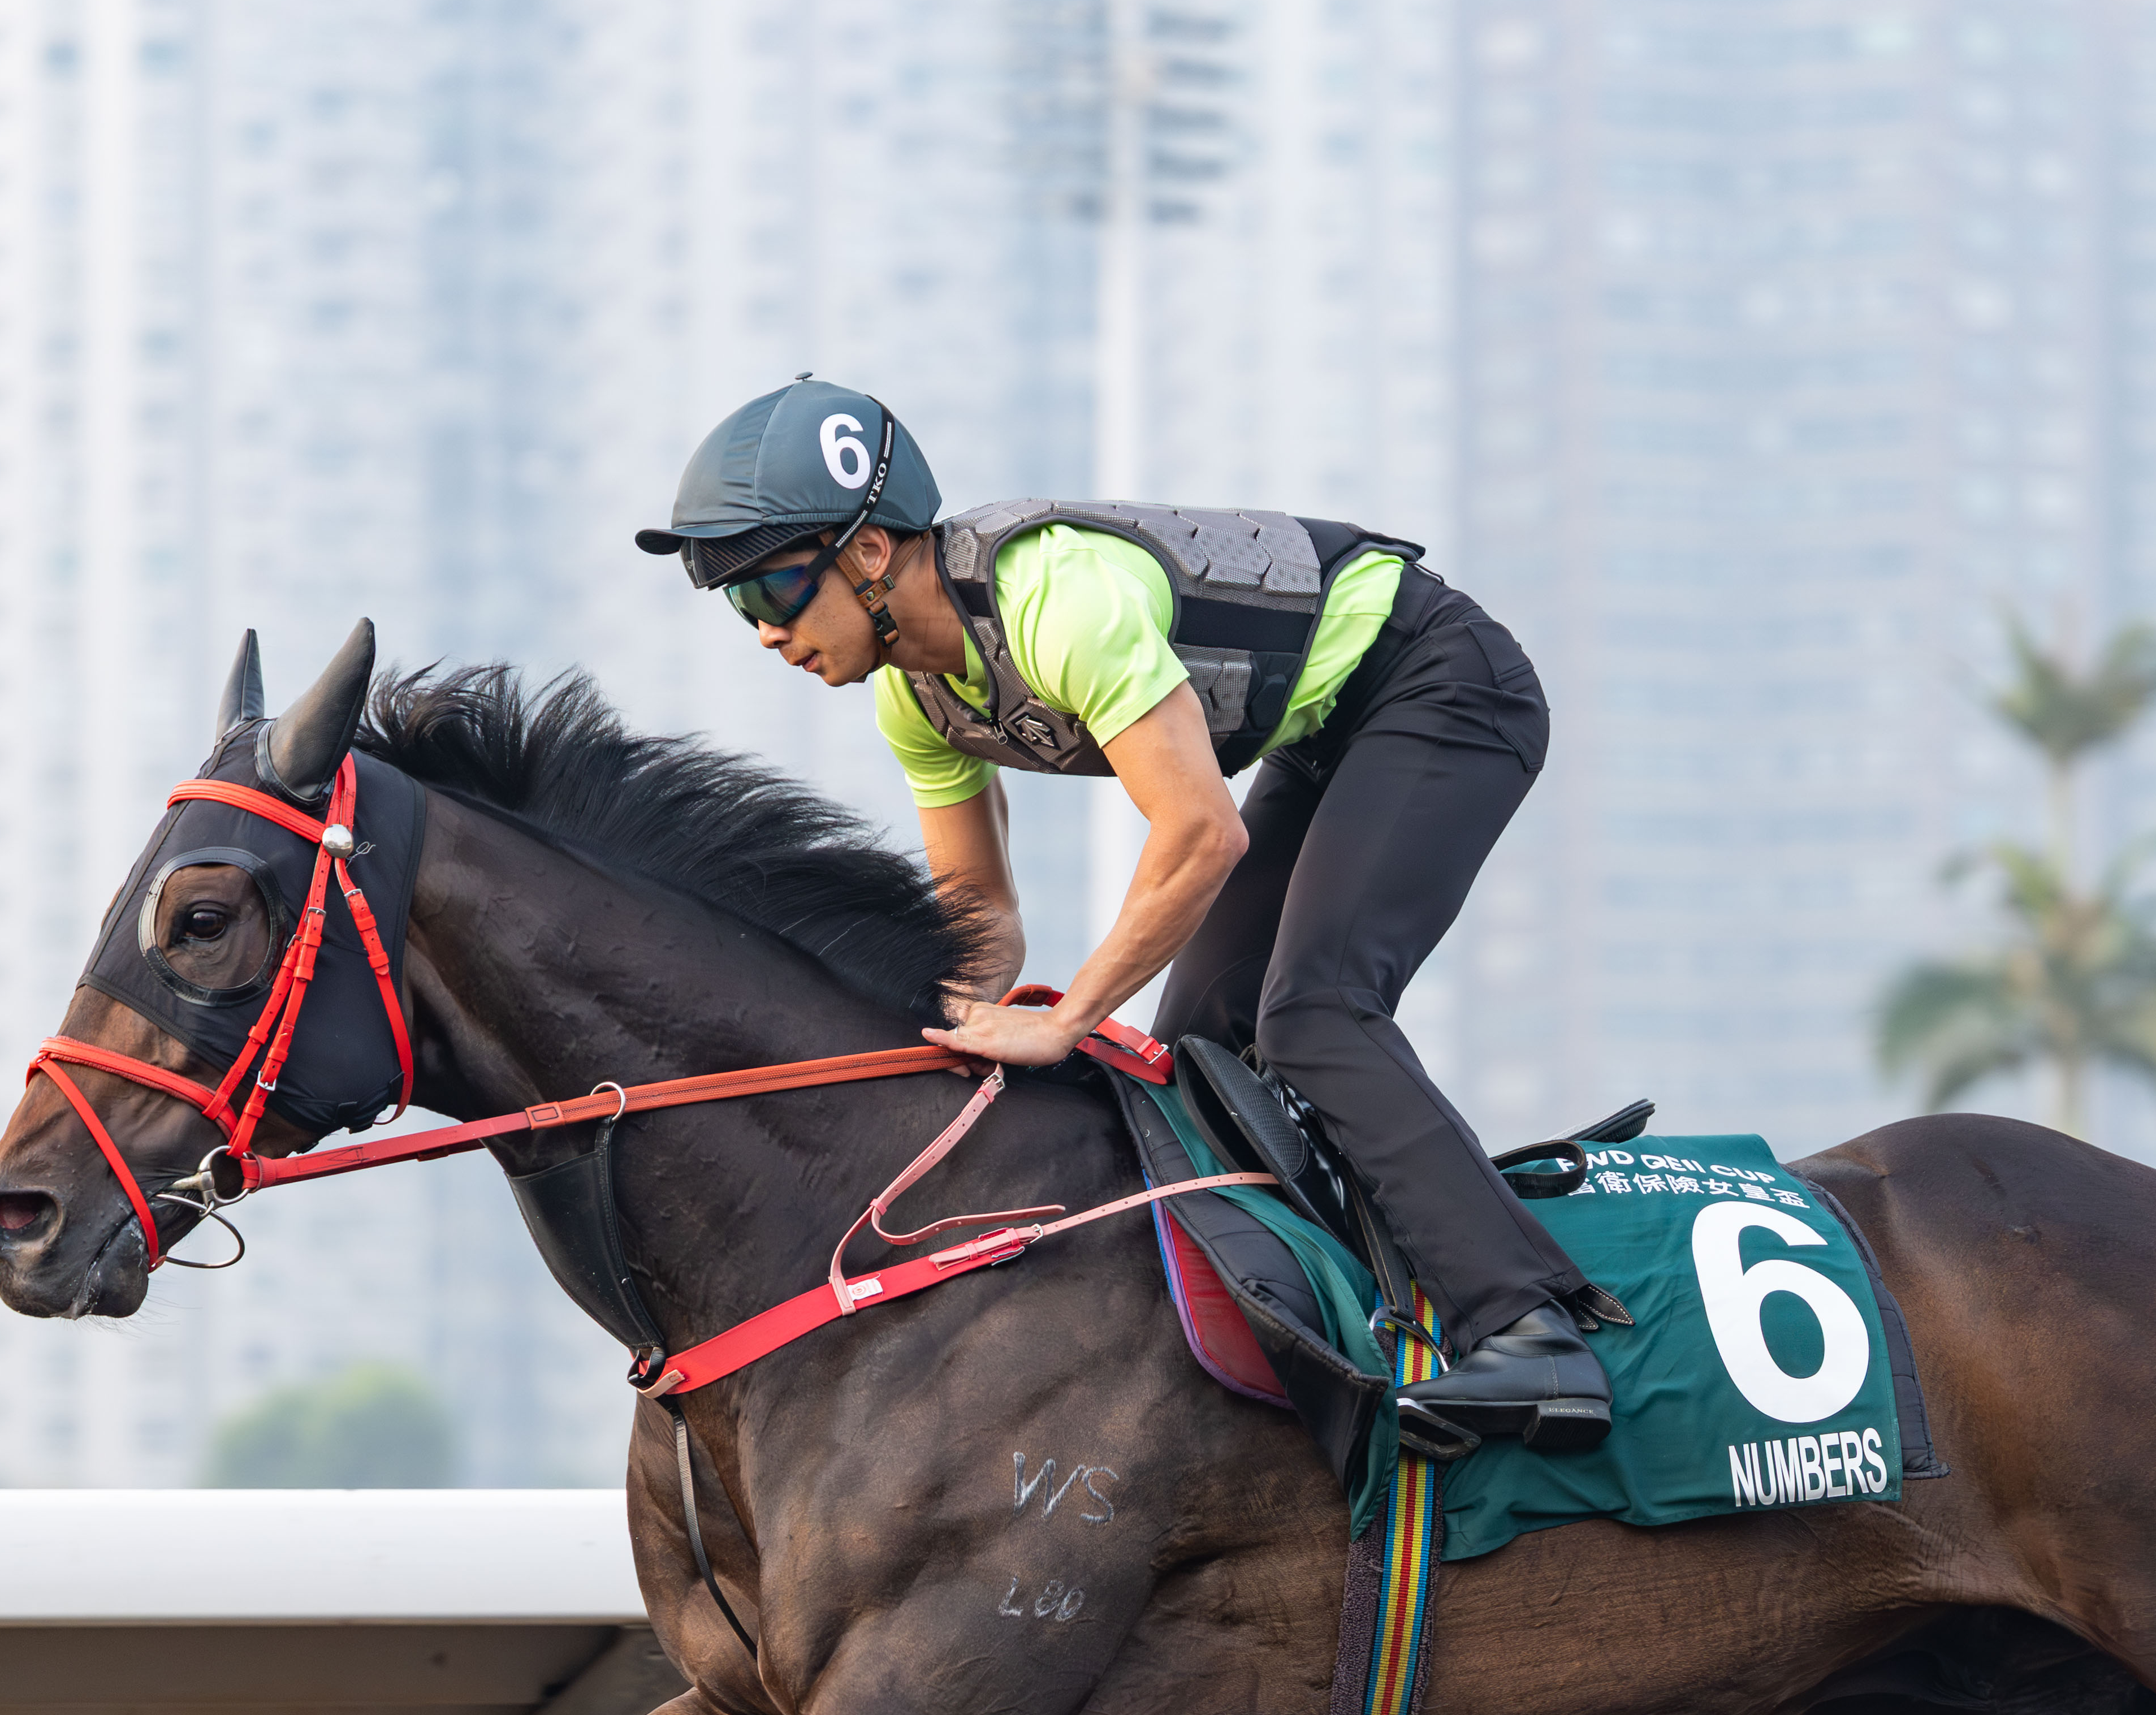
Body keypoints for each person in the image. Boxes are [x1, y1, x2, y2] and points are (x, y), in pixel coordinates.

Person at [636, 376, 1613, 1457]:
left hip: (1440, 683)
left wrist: (1068, 1018)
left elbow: (1201, 834)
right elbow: (982, 915)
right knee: (1197, 1054)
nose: (764, 633)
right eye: (736, 607)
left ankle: (1532, 1332)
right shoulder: (911, 698)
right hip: (1323, 734)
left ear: (869, 552)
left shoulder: (1060, 603)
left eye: (771, 589)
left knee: (1315, 1013)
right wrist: (939, 1029)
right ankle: (1375, 1311)